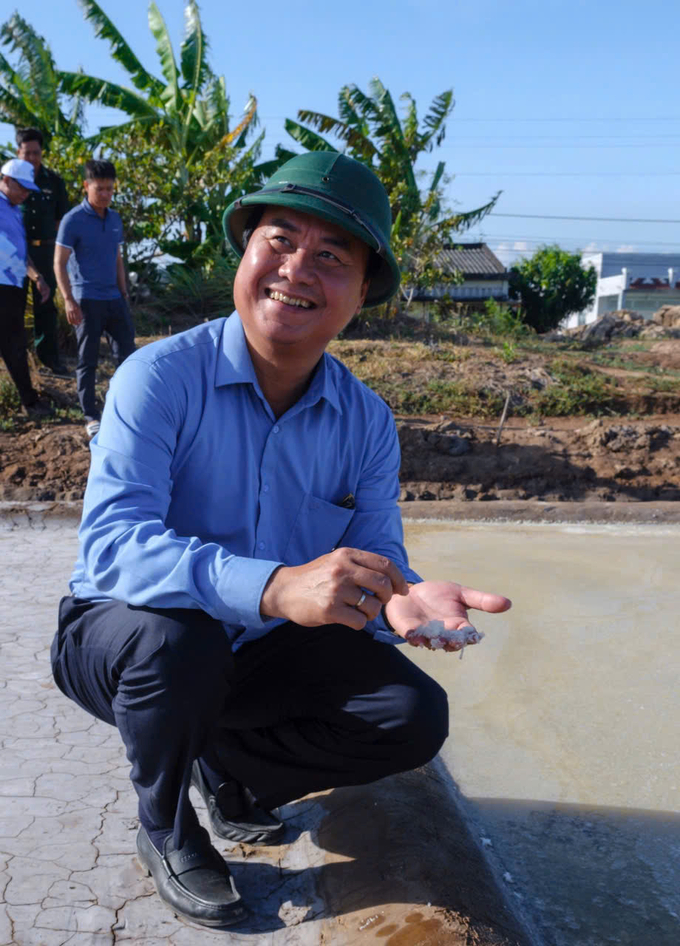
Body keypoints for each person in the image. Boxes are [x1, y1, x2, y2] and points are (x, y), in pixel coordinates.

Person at [50, 152, 512, 929]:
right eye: (280, 239)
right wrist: (272, 586)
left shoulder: (365, 420)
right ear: (244, 250)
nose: (297, 269)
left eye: (331, 257)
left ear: (362, 294)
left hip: (257, 649)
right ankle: (165, 825)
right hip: (125, 637)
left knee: (410, 714)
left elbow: (374, 554)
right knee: (177, 644)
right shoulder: (157, 378)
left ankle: (228, 771)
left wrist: (400, 594)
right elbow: (112, 549)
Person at [54, 159, 135, 439]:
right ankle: (90, 416)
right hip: (86, 299)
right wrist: (68, 299)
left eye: (110, 189)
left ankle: (126, 407)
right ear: (86, 186)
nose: (106, 194)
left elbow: (117, 258)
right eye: (100, 189)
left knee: (127, 357)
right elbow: (59, 263)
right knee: (87, 361)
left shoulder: (114, 218)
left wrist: (124, 292)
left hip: (114, 298)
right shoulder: (72, 220)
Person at [16, 127, 71, 377]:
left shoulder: (54, 182)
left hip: (47, 251)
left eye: (36, 153)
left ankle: (50, 361)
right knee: (12, 308)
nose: (32, 158)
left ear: (42, 152)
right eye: (27, 153)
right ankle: (18, 362)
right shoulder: (10, 181)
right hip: (16, 254)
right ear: (19, 152)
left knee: (46, 308)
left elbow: (62, 220)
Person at [0, 158, 52, 417]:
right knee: (13, 344)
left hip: (13, 286)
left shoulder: (13, 210)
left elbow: (20, 253)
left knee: (14, 344)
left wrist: (36, 277)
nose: (25, 194)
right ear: (6, 180)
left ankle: (29, 401)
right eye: (22, 188)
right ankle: (29, 402)